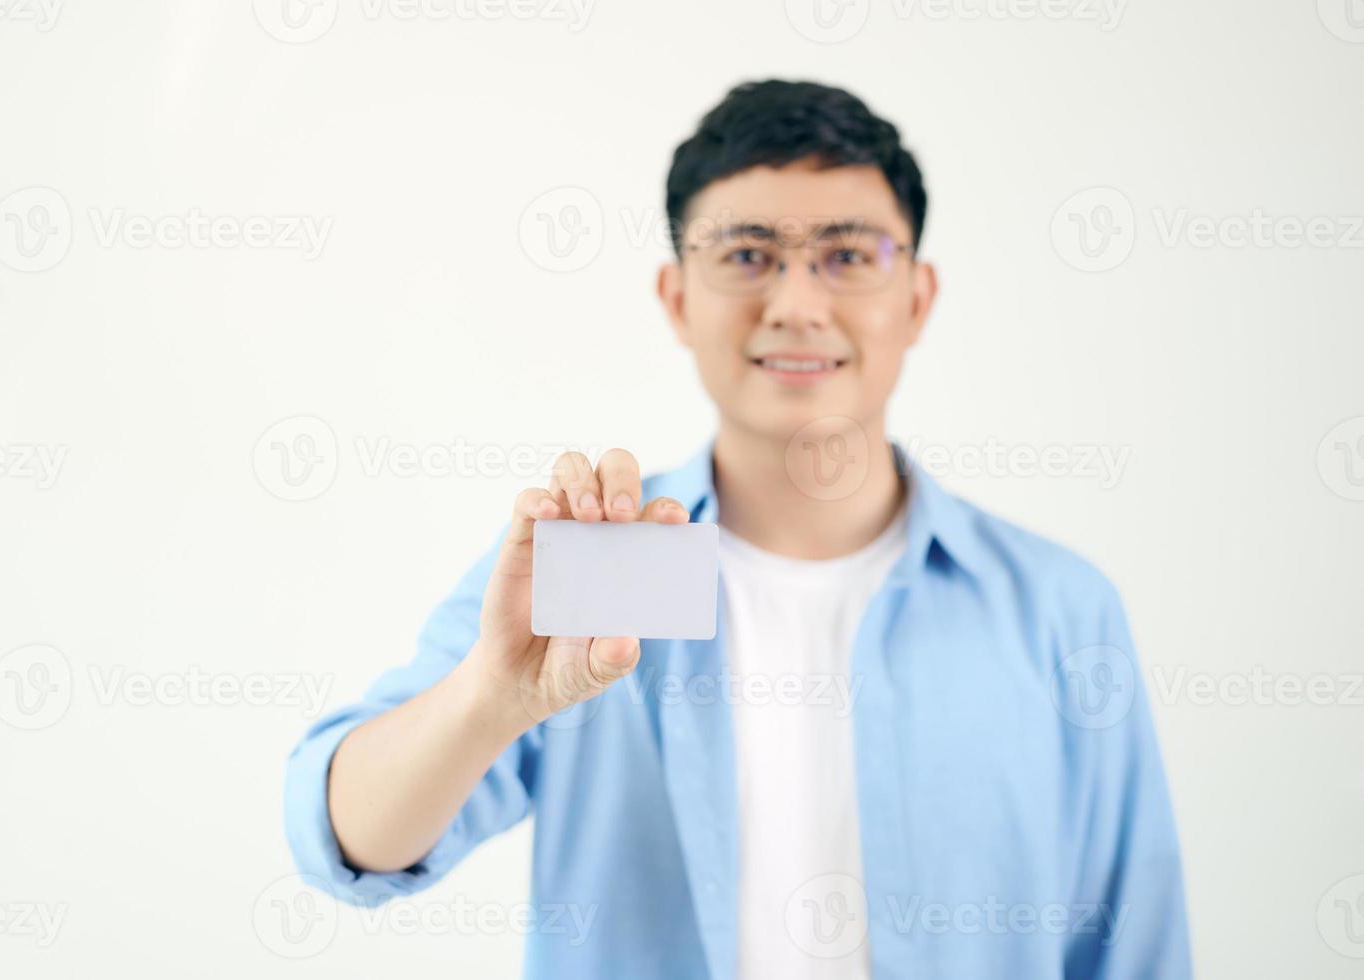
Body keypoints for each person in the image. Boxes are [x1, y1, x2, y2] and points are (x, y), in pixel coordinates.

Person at [283, 78, 1192, 979]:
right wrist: (491, 699)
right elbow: (343, 837)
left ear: (916, 298)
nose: (796, 305)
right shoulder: (587, 572)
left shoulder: (1057, 609)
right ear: (677, 298)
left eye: (847, 256)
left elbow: (1133, 941)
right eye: (747, 255)